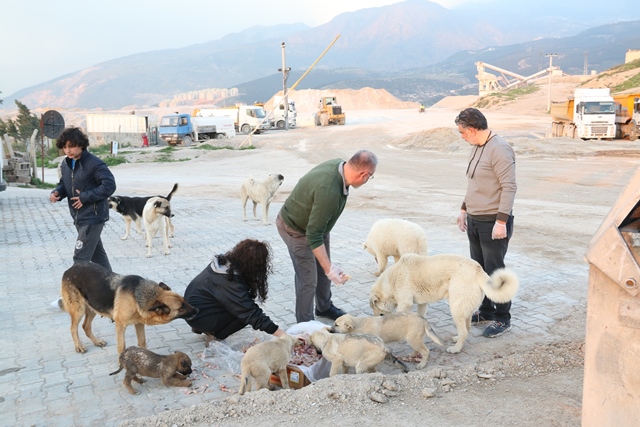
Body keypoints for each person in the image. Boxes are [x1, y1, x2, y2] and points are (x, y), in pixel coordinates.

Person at [276, 149, 378, 323]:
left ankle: (323, 307)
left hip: (316, 226)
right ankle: (305, 326)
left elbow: (316, 231)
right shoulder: (328, 191)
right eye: (371, 176)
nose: (369, 180)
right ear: (364, 174)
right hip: (295, 229)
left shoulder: (340, 167)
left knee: (323, 270)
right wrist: (331, 269)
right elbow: (312, 235)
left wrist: (327, 267)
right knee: (308, 280)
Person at [455, 108, 517, 338]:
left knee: (495, 270)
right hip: (475, 219)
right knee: (479, 270)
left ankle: (503, 319)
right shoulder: (476, 147)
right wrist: (464, 209)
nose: (461, 137)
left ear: (472, 130)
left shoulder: (499, 149)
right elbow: (475, 184)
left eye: (462, 132)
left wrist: (501, 222)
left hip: (493, 221)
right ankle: (487, 310)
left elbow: (509, 187)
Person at [184, 239, 287, 341]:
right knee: (244, 314)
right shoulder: (228, 282)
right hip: (198, 318)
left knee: (242, 304)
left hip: (193, 312)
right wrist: (283, 335)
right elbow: (251, 313)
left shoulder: (223, 265)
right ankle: (216, 335)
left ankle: (200, 327)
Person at [49, 127, 116, 271]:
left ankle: (75, 292)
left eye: (71, 146)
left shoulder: (94, 163)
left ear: (81, 145)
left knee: (80, 259)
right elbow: (64, 183)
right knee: (98, 258)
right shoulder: (66, 164)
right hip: (78, 217)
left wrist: (85, 197)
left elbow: (110, 185)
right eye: (65, 147)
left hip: (93, 216)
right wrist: (57, 193)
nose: (68, 150)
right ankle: (111, 289)